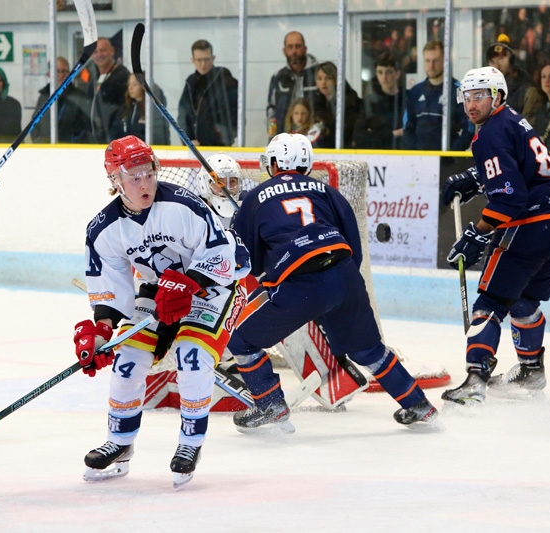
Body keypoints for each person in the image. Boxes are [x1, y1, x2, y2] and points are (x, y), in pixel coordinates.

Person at [227, 133, 439, 433]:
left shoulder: (257, 196)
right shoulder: (327, 191)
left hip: (299, 282)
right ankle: (418, 404)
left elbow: (249, 261)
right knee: (368, 350)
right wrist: (335, 290)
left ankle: (269, 402)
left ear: (274, 163)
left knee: (241, 340)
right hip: (344, 275)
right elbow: (353, 244)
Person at [74, 135, 250, 488]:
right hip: (158, 291)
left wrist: (190, 284)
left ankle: (190, 443)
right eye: (134, 176)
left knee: (191, 356)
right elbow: (111, 290)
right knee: (127, 362)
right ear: (115, 181)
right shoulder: (103, 230)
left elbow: (227, 254)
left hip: (216, 284)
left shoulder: (184, 204)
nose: (145, 182)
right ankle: (120, 443)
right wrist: (102, 332)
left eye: (149, 172)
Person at [438, 67, 550, 404]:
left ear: (497, 96)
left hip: (533, 223)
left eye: (479, 96)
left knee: (490, 301)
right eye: (467, 97)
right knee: (523, 300)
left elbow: (511, 198)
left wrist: (479, 232)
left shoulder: (489, 132)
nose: (471, 104)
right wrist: (477, 176)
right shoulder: (512, 120)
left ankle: (475, 378)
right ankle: (531, 371)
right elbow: (519, 164)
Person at [403, 40, 471, 151]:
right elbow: (408, 128)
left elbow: (469, 128)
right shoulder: (415, 92)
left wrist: (450, 155)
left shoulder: (458, 91)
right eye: (427, 61)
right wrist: (414, 154)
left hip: (447, 164)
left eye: (435, 61)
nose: (431, 65)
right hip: (419, 162)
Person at [177, 39, 238, 147]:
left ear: (213, 58)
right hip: (194, 145)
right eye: (199, 60)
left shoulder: (224, 79)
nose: (203, 64)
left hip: (219, 146)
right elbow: (183, 113)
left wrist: (222, 138)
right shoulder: (190, 82)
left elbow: (234, 113)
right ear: (193, 60)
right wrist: (187, 139)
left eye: (207, 59)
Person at [266, 31, 319, 140]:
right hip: (285, 139)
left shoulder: (319, 74)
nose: (294, 51)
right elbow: (271, 109)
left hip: (315, 140)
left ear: (305, 49)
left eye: (298, 46)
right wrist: (273, 137)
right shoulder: (279, 77)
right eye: (290, 47)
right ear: (284, 51)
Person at [31, 56, 92, 144]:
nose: (61, 75)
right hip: (46, 151)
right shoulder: (44, 96)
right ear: (49, 74)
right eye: (57, 71)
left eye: (64, 71)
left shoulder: (80, 97)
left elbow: (86, 128)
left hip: (71, 151)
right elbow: (35, 125)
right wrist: (39, 143)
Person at [352, 51, 404, 150]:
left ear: (397, 74)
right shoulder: (370, 101)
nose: (384, 77)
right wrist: (395, 133)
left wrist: (375, 134)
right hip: (378, 157)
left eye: (388, 72)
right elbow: (359, 136)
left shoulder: (408, 98)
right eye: (380, 72)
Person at [87, 37, 130, 144]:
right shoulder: (93, 79)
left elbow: (125, 110)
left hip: (115, 141)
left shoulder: (123, 76)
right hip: (94, 140)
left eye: (103, 50)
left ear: (112, 51)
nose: (99, 54)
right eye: (95, 52)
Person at [109, 72, 170, 146]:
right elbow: (114, 131)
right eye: (129, 84)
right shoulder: (125, 109)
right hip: (127, 152)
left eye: (134, 85)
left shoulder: (152, 110)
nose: (130, 88)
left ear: (144, 87)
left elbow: (159, 137)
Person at [312, 62, 361, 149]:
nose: (323, 82)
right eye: (319, 78)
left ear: (336, 80)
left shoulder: (350, 102)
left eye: (328, 78)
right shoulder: (315, 103)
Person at [486, 39, 533, 113]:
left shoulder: (527, 90)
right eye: (492, 62)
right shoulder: (487, 88)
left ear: (512, 61)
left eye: (501, 59)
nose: (497, 66)